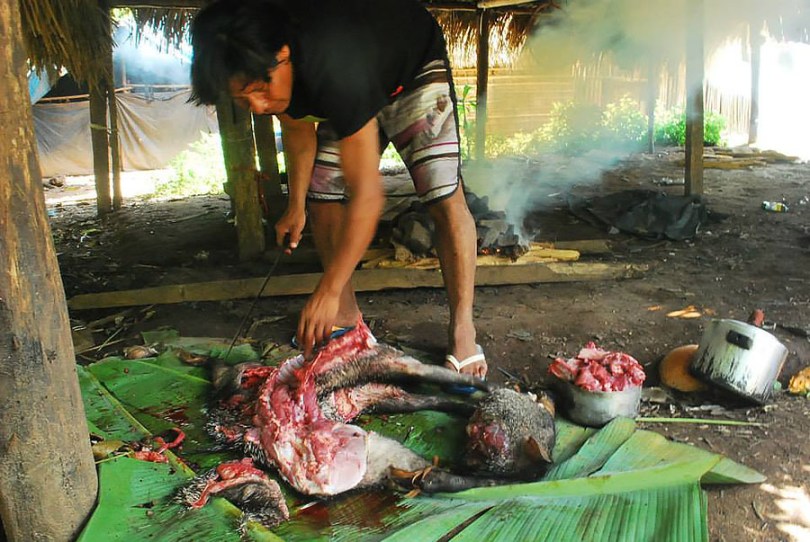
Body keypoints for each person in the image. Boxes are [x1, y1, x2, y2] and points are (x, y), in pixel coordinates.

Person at [190, 0, 486, 381]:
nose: (259, 106)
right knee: (322, 197)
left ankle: (463, 330)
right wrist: (295, 206)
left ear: (283, 56)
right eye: (242, 99)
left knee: (442, 193)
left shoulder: (331, 65)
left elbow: (368, 194)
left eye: (260, 90)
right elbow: (298, 134)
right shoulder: (264, 57)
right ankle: (346, 319)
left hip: (409, 71)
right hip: (350, 77)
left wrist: (324, 289)